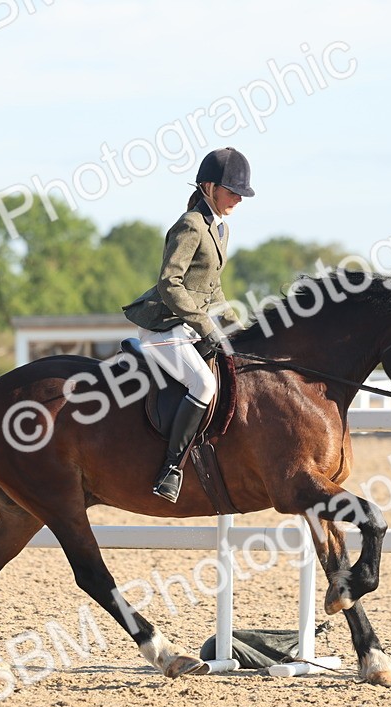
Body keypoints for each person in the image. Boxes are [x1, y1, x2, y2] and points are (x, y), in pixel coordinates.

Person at [122, 147, 253, 503]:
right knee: (204, 383)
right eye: (232, 191)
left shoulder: (221, 228)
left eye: (242, 193)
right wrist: (206, 325)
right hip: (163, 327)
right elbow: (169, 283)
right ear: (209, 187)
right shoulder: (190, 224)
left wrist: (237, 326)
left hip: (189, 325)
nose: (238, 199)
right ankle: (171, 468)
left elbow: (213, 288)